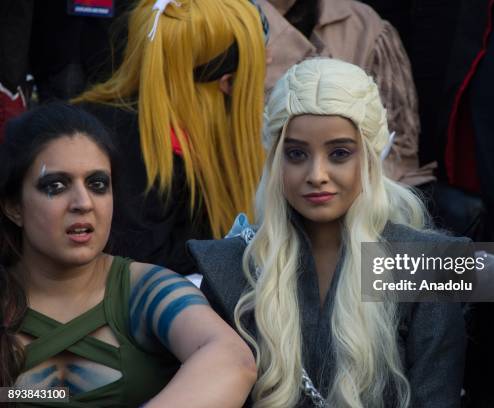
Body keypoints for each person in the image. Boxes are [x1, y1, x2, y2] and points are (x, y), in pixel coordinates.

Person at [188, 58, 466, 407]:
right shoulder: (231, 264)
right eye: (296, 154)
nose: (316, 173)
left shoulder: (427, 264)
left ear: (369, 156)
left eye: (339, 153)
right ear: (276, 161)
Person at [0, 103, 256, 406]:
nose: (83, 203)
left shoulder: (144, 289)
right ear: (14, 206)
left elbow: (232, 360)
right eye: (56, 185)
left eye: (97, 184)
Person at [73, 0, 268, 275]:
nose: (269, 60)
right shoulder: (129, 148)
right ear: (227, 84)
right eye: (259, 62)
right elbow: (140, 265)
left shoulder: (102, 123)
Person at [259, 0, 436, 188]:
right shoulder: (231, 22)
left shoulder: (363, 25)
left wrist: (362, 198)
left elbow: (398, 145)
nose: (318, 175)